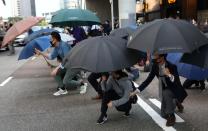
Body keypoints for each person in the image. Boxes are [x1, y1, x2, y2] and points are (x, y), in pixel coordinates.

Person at [130, 54, 188, 126]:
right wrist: (135, 92)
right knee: (163, 114)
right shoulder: (155, 66)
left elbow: (177, 82)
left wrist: (169, 75)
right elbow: (148, 80)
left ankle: (171, 116)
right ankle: (176, 101)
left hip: (174, 89)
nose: (156, 62)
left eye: (158, 59)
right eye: (155, 60)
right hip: (164, 89)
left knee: (166, 95)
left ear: (163, 57)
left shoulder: (171, 66)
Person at [35, 31, 87, 96]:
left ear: (55, 39)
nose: (49, 40)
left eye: (50, 39)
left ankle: (82, 84)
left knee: (66, 81)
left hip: (73, 65)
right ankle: (63, 89)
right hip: (67, 65)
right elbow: (51, 57)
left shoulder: (63, 45)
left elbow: (67, 59)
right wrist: (41, 53)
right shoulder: (57, 47)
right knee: (55, 74)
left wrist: (57, 68)